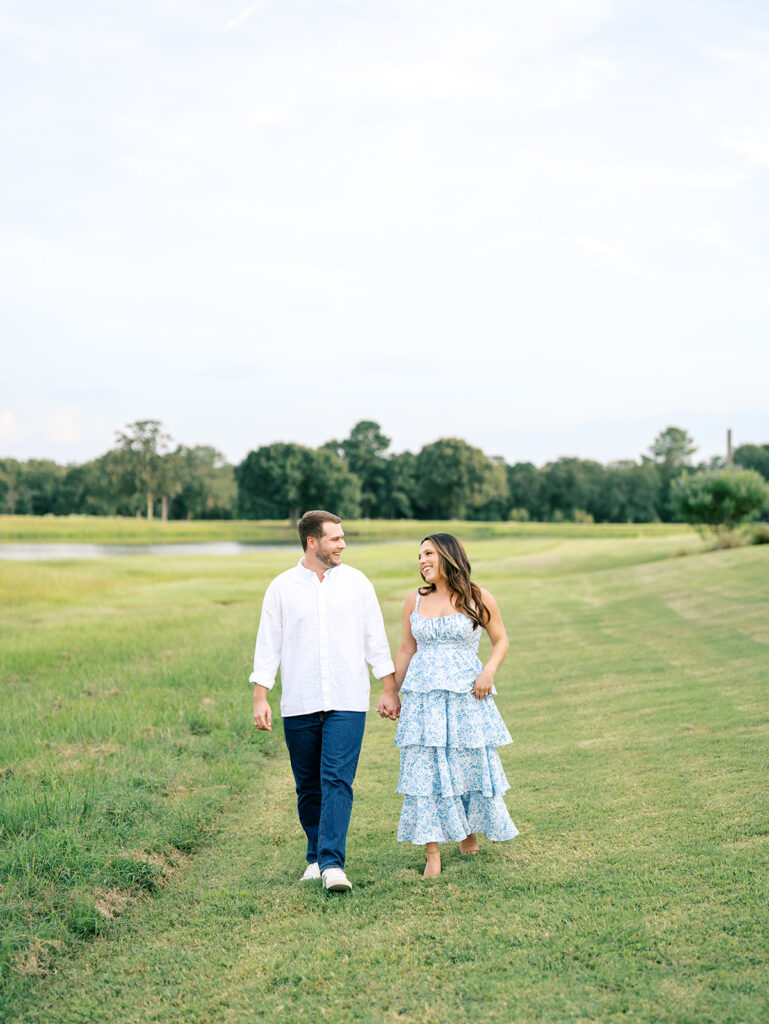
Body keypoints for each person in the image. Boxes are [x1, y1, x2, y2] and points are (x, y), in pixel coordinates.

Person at [251, 510, 399, 893]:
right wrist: (260, 696)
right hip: (299, 700)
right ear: (312, 542)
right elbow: (269, 645)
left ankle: (332, 864)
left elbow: (375, 638)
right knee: (308, 786)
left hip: (347, 699)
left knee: (337, 779)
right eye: (335, 538)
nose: (343, 544)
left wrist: (388, 688)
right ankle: (315, 857)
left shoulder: (356, 583)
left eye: (343, 537)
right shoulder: (281, 587)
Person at [380, 533, 517, 877]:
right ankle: (432, 852)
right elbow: (407, 649)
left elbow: (500, 640)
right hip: (424, 695)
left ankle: (467, 829)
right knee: (426, 768)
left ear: (448, 555)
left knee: (464, 760)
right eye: (419, 556)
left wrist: (488, 671)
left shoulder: (478, 596)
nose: (422, 561)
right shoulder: (414, 599)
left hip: (467, 692)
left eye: (428, 553)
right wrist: (392, 692)